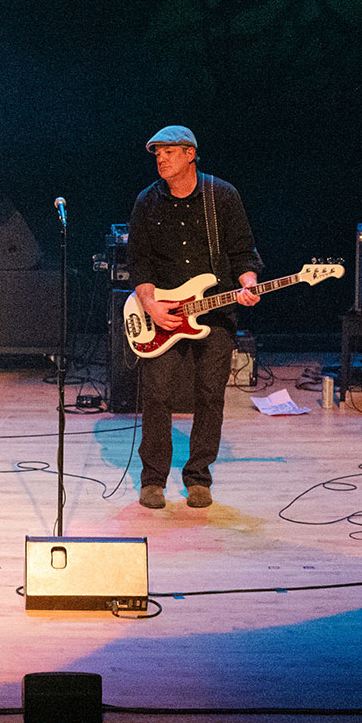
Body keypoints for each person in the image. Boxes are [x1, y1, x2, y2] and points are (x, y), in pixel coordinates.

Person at [127, 126, 263, 510]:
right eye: (157, 154)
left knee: (209, 395)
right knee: (157, 395)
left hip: (215, 312)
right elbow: (139, 260)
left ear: (190, 154)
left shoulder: (222, 195)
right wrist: (151, 304)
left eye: (168, 152)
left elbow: (243, 251)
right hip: (162, 314)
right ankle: (152, 480)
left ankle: (199, 478)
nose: (161, 159)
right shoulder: (147, 201)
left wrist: (248, 281)